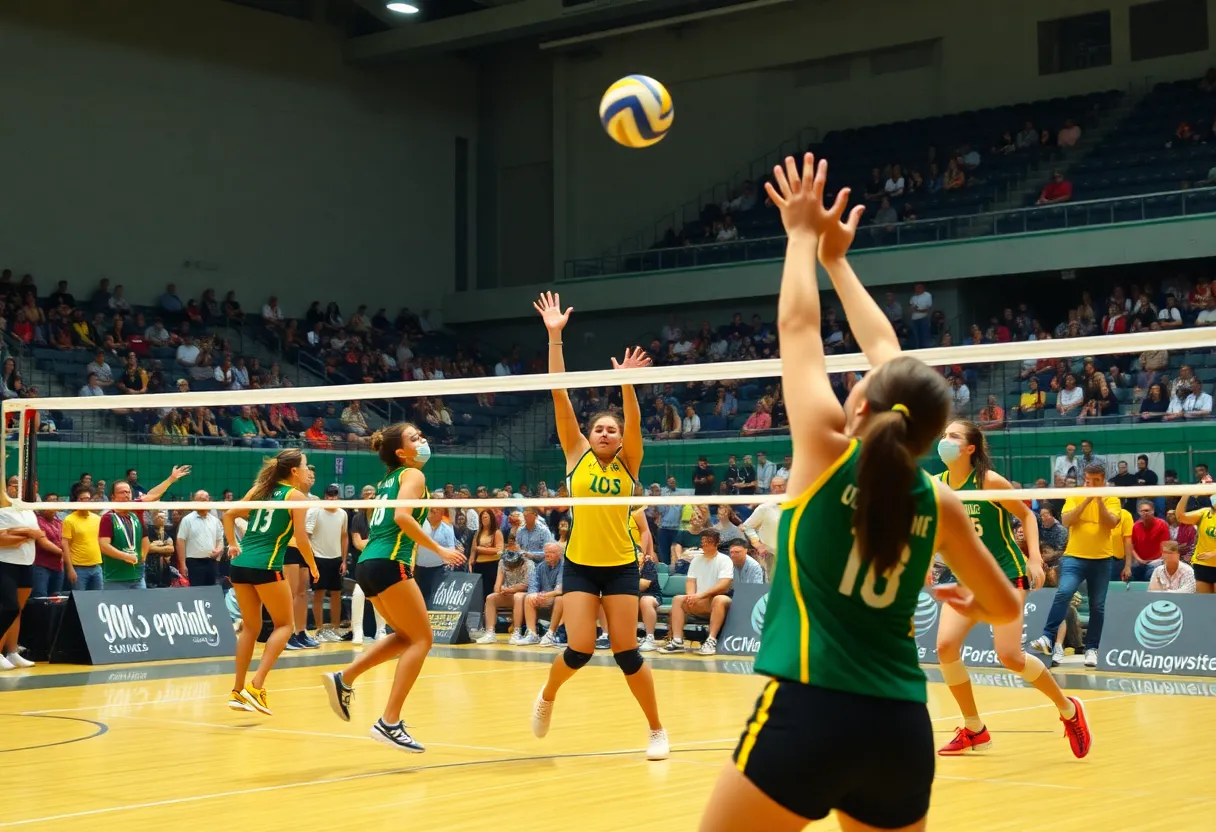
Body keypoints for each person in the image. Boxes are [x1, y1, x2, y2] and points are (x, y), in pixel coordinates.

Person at [698, 154, 1021, 832]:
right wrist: (840, 263)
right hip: (901, 728)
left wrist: (802, 238)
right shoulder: (940, 501)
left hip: (810, 713)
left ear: (862, 398)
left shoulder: (820, 448)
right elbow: (1004, 604)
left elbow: (798, 330)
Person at [529, 290, 669, 761]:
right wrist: (554, 338)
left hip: (622, 566)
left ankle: (656, 731)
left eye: (612, 429)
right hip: (582, 566)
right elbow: (559, 394)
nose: (606, 433)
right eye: (599, 429)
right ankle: (547, 697)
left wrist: (626, 385)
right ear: (588, 436)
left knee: (628, 654)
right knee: (581, 650)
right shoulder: (576, 456)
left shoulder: (630, 462)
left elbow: (633, 422)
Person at [933, 420, 1090, 758]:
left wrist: (1035, 558)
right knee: (945, 646)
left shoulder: (988, 481)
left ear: (970, 448)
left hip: (1006, 575)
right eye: (944, 435)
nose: (945, 440)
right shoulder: (937, 485)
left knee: (1009, 656)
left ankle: (1069, 709)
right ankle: (974, 728)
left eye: (953, 436)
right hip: (967, 576)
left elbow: (1028, 516)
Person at [320, 424, 465, 751]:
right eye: (415, 438)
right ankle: (389, 721)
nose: (423, 440)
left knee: (404, 636)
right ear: (401, 452)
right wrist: (439, 549)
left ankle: (345, 678)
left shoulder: (387, 481)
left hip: (369, 564)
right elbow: (402, 517)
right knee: (423, 639)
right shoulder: (412, 475)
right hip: (388, 562)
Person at [223, 450, 319, 715]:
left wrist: (233, 544)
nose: (307, 469)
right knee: (286, 625)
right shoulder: (295, 496)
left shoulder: (260, 490)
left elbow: (228, 514)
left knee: (250, 628)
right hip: (266, 566)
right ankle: (256, 686)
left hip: (240, 565)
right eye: (304, 465)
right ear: (293, 472)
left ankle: (237, 691)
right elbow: (301, 538)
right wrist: (312, 565)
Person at [1029, 463, 1122, 667]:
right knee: (1064, 592)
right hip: (1075, 557)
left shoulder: (1112, 497)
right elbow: (1067, 520)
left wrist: (1098, 500)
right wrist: (1087, 499)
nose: (1091, 484)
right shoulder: (1075, 494)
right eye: (1088, 480)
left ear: (1103, 479)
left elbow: (1111, 523)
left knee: (1098, 606)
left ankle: (1092, 648)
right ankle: (1047, 637)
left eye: (1096, 481)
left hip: (1102, 559)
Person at [0, 478, 45, 669]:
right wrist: (27, 533)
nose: (16, 487)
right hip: (5, 564)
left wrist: (18, 533)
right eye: (12, 484)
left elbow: (38, 535)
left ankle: (12, 652)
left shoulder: (29, 511)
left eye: (20, 485)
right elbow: (3, 540)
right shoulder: (2, 511)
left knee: (17, 610)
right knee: (6, 609)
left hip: (26, 564)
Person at [306, 485, 349, 642]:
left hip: (336, 559)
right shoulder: (316, 512)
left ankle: (336, 629)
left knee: (337, 594)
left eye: (335, 496)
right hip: (318, 558)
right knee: (319, 594)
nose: (332, 499)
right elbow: (307, 536)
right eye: (329, 496)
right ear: (325, 497)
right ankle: (319, 629)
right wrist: (311, 560)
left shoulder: (343, 514)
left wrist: (344, 561)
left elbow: (344, 537)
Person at [1175, 475, 1216, 593]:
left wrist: (1213, 553)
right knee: (1204, 603)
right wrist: (1187, 493)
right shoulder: (1204, 513)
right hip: (1202, 564)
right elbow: (1180, 516)